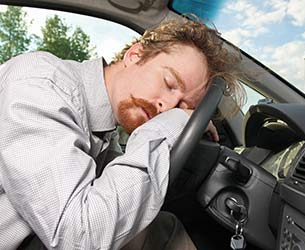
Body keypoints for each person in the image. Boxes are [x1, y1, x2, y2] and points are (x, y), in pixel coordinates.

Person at [0, 17, 243, 250]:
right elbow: (80, 238)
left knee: (165, 229)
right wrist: (173, 123)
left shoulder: (103, 128)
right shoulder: (42, 86)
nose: (166, 107)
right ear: (134, 55)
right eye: (169, 83)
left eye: (182, 106)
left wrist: (189, 128)